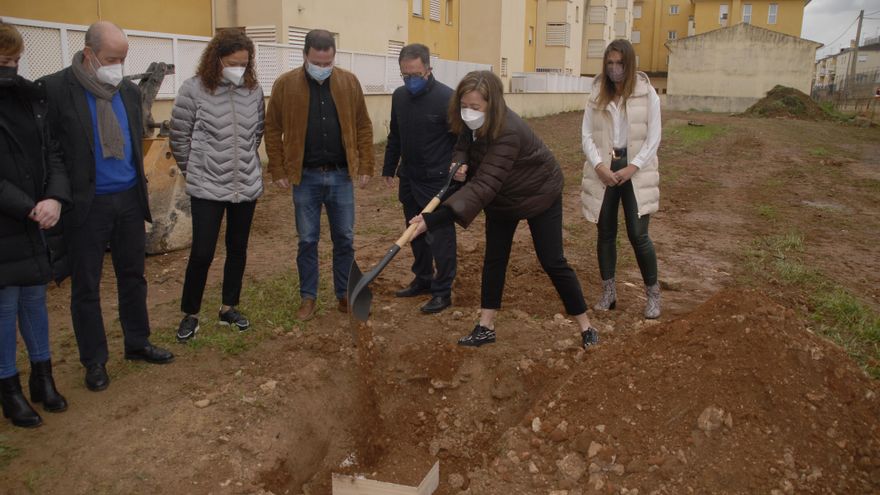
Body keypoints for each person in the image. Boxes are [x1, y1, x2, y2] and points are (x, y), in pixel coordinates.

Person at [409, 70, 599, 349]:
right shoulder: (470, 122)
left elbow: (483, 185)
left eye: (475, 107)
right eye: (464, 105)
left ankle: (586, 326)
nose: (468, 112)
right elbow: (463, 144)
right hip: (501, 197)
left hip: (538, 193)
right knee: (495, 259)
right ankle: (485, 326)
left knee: (552, 260)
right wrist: (459, 162)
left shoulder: (508, 131)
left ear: (492, 105)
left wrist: (433, 219)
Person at [41, 21, 173, 393]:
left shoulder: (128, 91)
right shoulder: (56, 90)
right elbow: (50, 151)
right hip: (87, 205)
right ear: (89, 55)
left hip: (129, 198)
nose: (118, 65)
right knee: (86, 286)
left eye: (123, 58)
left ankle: (137, 342)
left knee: (134, 277)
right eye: (112, 58)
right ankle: (94, 361)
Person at [265, 29, 374, 321]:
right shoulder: (286, 85)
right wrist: (277, 167)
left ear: (333, 57)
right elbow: (272, 128)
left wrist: (365, 165)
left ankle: (344, 295)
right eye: (317, 62)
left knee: (345, 238)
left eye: (328, 63)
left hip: (340, 176)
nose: (323, 68)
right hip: (306, 178)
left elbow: (363, 124)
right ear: (305, 56)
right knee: (307, 240)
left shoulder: (349, 83)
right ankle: (308, 297)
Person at [169, 29, 265, 342]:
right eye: (233, 62)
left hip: (245, 186)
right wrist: (193, 170)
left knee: (237, 249)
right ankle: (190, 313)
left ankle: (228, 308)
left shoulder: (254, 91)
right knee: (202, 252)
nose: (239, 68)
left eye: (244, 63)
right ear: (217, 59)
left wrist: (246, 164)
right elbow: (179, 136)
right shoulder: (193, 89)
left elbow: (256, 134)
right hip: (207, 186)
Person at [0, 20, 70, 428]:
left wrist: (55, 198)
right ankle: (9, 389)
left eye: (15, 59)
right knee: (4, 307)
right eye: (3, 61)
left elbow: (53, 153)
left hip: (37, 217)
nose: (11, 67)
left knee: (34, 301)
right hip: (9, 221)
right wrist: (28, 206)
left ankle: (43, 376)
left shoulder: (31, 98)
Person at [580, 39, 661, 319]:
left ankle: (653, 295)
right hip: (604, 169)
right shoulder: (596, 93)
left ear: (629, 64)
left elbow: (654, 138)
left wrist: (633, 167)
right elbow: (586, 135)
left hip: (635, 170)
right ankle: (609, 292)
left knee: (638, 235)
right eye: (610, 63)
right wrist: (600, 166)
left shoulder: (647, 93)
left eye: (620, 63)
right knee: (605, 233)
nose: (615, 69)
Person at [383, 43, 457, 314]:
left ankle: (442, 291)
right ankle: (423, 279)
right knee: (413, 233)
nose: (410, 80)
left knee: (440, 237)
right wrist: (389, 168)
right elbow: (396, 136)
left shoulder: (447, 99)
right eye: (405, 75)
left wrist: (457, 170)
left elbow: (460, 141)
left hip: (437, 181)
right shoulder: (399, 96)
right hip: (410, 178)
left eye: (415, 74)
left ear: (428, 69)